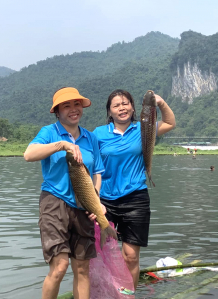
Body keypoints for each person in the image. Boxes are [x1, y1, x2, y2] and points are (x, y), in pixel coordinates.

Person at [23, 87, 105, 299]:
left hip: (84, 207)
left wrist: (96, 202)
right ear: (57, 112)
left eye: (76, 104)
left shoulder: (90, 138)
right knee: (59, 267)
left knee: (82, 269)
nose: (73, 109)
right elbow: (29, 154)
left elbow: (97, 173)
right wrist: (61, 145)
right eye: (66, 106)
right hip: (54, 202)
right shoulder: (49, 133)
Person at [93, 89, 175, 289]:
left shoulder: (144, 128)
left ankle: (128, 294)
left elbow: (170, 123)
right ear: (109, 112)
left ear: (133, 107)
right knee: (100, 253)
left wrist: (161, 103)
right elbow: (91, 167)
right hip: (105, 201)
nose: (122, 108)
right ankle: (106, 292)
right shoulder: (98, 134)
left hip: (135, 199)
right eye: (116, 105)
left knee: (130, 257)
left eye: (125, 103)